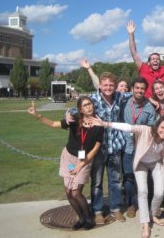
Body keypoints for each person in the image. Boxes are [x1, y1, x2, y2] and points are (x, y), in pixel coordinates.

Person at [27, 97, 103, 230]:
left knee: (76, 192)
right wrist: (37, 115)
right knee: (68, 191)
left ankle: (89, 218)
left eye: (90, 104)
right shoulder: (74, 120)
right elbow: (53, 124)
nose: (88, 107)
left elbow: (96, 148)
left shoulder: (99, 124)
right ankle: (81, 218)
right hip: (68, 158)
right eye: (85, 105)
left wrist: (80, 165)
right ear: (80, 109)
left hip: (84, 160)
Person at [75, 69, 132, 225]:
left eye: (111, 85)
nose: (108, 87)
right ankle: (98, 211)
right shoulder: (93, 99)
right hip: (98, 148)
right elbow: (77, 107)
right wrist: (68, 114)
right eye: (105, 85)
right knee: (97, 181)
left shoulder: (120, 96)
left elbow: (138, 95)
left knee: (115, 180)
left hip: (116, 145)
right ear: (99, 85)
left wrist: (152, 99)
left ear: (115, 86)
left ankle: (115, 209)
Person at [120, 77, 157, 218]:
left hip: (142, 149)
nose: (140, 91)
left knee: (144, 177)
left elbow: (152, 128)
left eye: (142, 88)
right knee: (129, 177)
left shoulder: (149, 107)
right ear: (132, 89)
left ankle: (144, 204)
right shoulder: (124, 102)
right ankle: (131, 204)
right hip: (127, 147)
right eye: (137, 88)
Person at [126, 20, 164, 98]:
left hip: (163, 103)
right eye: (153, 59)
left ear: (160, 61)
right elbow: (134, 52)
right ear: (148, 62)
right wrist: (131, 34)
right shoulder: (143, 68)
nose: (155, 60)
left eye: (157, 59)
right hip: (148, 103)